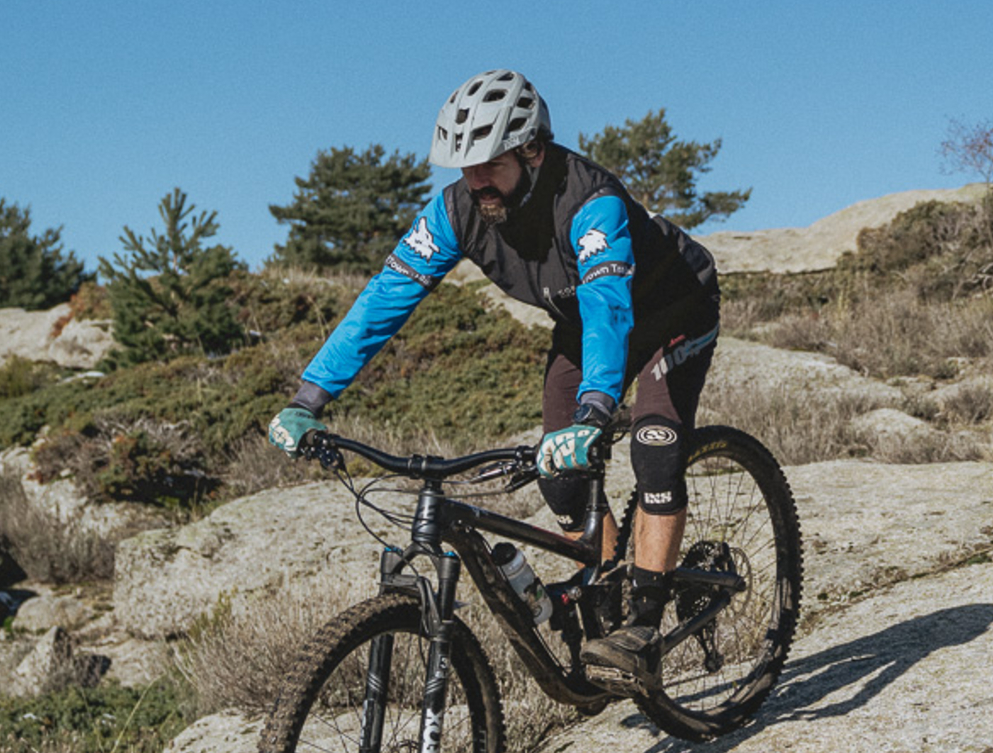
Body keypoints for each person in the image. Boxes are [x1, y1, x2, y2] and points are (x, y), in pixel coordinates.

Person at [266, 69, 722, 690]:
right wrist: (308, 398)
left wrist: (595, 411)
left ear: (532, 150)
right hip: (581, 321)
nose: (474, 180)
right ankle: (610, 588)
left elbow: (611, 307)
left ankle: (643, 625)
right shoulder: (456, 211)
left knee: (654, 449)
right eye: (463, 166)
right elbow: (384, 299)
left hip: (669, 310)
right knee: (558, 480)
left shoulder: (591, 203)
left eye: (488, 164)